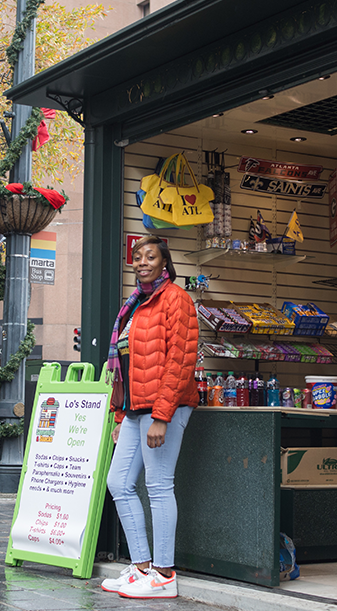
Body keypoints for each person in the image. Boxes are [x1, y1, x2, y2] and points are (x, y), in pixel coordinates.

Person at [100, 236, 199, 599]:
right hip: (135, 409)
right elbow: (125, 366)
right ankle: (142, 566)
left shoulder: (176, 299)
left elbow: (180, 360)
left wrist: (162, 416)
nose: (142, 262)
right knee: (119, 483)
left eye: (150, 256)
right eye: (137, 257)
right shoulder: (137, 305)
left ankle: (164, 574)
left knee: (158, 486)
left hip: (165, 408)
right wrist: (118, 414)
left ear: (164, 263)